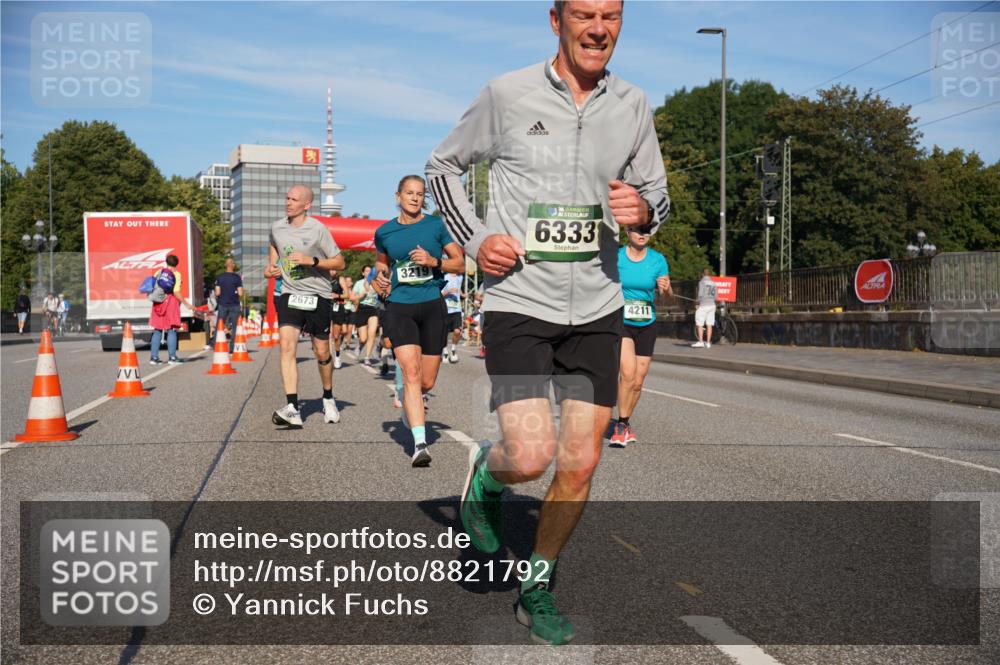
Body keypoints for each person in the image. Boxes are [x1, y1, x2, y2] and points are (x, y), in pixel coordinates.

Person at [426, 0, 669, 645]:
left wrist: (644, 210)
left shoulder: (633, 104)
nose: (599, 29)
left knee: (581, 462)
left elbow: (658, 195)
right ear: (556, 20)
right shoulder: (507, 94)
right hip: (520, 301)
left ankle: (536, 586)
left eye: (612, 16)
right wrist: (476, 239)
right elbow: (442, 167)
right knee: (531, 455)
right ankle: (487, 476)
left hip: (598, 305)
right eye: (585, 15)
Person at [372, 175, 464, 468]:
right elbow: (381, 263)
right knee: (411, 373)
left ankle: (410, 403)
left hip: (432, 306)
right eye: (410, 193)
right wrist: (379, 279)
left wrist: (434, 262)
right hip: (400, 306)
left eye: (420, 194)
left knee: (426, 380)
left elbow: (460, 263)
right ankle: (420, 444)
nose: (415, 198)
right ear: (398, 196)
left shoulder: (436, 226)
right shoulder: (384, 232)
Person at [264, 184, 345, 428]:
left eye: (294, 199)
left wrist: (312, 260)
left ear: (307, 204)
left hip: (318, 294)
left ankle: (328, 396)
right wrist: (271, 267)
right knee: (287, 346)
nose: (288, 203)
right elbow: (274, 245)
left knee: (321, 351)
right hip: (290, 293)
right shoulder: (277, 227)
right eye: (287, 198)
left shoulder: (318, 229)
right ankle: (292, 407)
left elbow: (339, 262)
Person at [610, 226, 671, 447]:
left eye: (647, 230)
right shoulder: (616, 256)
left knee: (638, 381)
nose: (642, 234)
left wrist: (665, 288)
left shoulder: (657, 260)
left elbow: (667, 296)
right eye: (638, 230)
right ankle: (620, 426)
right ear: (628, 232)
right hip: (622, 321)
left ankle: (625, 422)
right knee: (627, 373)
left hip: (647, 324)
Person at [149, 254, 194, 365]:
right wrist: (186, 304)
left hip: (158, 302)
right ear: (176, 264)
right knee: (172, 329)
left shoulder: (158, 272)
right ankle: (172, 357)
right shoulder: (176, 274)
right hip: (171, 303)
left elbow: (153, 286)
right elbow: (176, 291)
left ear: (166, 262)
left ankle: (154, 358)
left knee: (157, 330)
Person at [353, 266, 382, 366]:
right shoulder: (359, 283)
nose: (369, 272)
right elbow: (351, 297)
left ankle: (367, 357)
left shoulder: (377, 283)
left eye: (370, 271)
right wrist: (360, 295)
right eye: (366, 271)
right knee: (363, 338)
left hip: (373, 309)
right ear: (363, 273)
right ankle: (360, 346)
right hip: (362, 309)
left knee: (372, 334)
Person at [215, 258, 244, 354]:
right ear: (233, 266)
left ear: (225, 265)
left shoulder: (220, 277)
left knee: (220, 325)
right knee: (235, 327)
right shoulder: (237, 277)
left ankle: (216, 346)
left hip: (222, 304)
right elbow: (240, 293)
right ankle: (232, 348)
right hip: (234, 304)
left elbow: (217, 292)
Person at [330, 273, 352, 369]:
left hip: (338, 306)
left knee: (336, 336)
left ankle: (337, 356)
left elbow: (347, 295)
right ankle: (328, 358)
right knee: (326, 335)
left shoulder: (340, 279)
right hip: (325, 306)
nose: (332, 271)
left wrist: (337, 295)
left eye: (334, 269)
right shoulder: (323, 276)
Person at [441, 272, 464, 363]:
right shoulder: (444, 277)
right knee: (444, 333)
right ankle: (445, 352)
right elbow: (439, 294)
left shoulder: (460, 277)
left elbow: (458, 288)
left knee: (457, 331)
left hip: (457, 309)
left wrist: (462, 294)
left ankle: (453, 350)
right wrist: (449, 291)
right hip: (445, 309)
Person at [692, 266, 718, 349]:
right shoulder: (713, 283)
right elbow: (716, 297)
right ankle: (708, 343)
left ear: (702, 274)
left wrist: (697, 303)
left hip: (703, 305)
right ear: (709, 274)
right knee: (709, 324)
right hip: (712, 305)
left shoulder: (702, 282)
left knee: (699, 323)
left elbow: (700, 295)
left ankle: (700, 342)